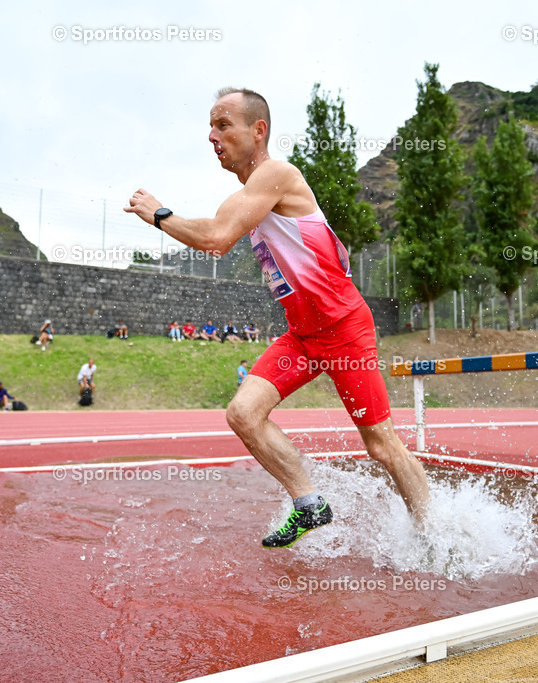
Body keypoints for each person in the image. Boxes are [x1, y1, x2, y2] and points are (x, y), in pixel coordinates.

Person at [125, 87, 429, 548]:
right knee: (244, 413)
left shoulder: (278, 175)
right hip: (303, 337)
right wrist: (170, 219)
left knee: (382, 446)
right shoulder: (247, 194)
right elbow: (215, 229)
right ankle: (310, 504)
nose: (212, 136)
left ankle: (435, 534)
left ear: (258, 130)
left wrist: (159, 215)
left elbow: (217, 239)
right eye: (210, 126)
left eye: (223, 125)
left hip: (344, 329)